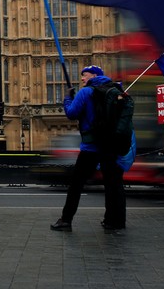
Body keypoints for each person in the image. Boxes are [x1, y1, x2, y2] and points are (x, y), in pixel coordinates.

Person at [50, 65, 127, 232]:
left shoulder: (86, 92)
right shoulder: (116, 90)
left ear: (94, 75)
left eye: (84, 75)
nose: (82, 79)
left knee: (76, 185)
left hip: (91, 146)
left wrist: (68, 98)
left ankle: (66, 220)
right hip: (110, 145)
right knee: (113, 184)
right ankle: (114, 221)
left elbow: (71, 113)